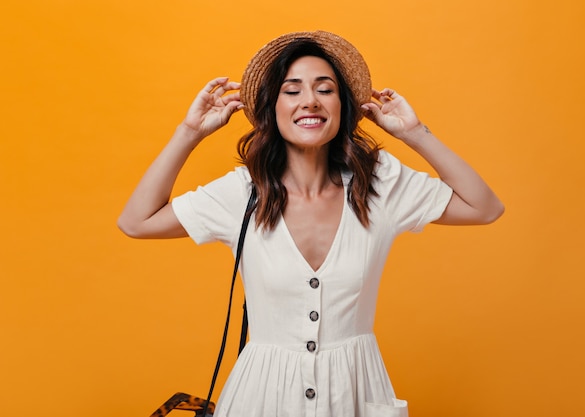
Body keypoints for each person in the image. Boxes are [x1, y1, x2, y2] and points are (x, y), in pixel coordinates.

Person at [118, 31, 504, 417]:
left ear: (342, 106)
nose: (310, 101)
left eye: (325, 89)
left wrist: (414, 134)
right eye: (292, 90)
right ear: (272, 107)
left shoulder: (381, 184)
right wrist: (189, 134)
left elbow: (484, 207)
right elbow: (137, 221)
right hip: (260, 397)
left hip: (355, 393)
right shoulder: (242, 193)